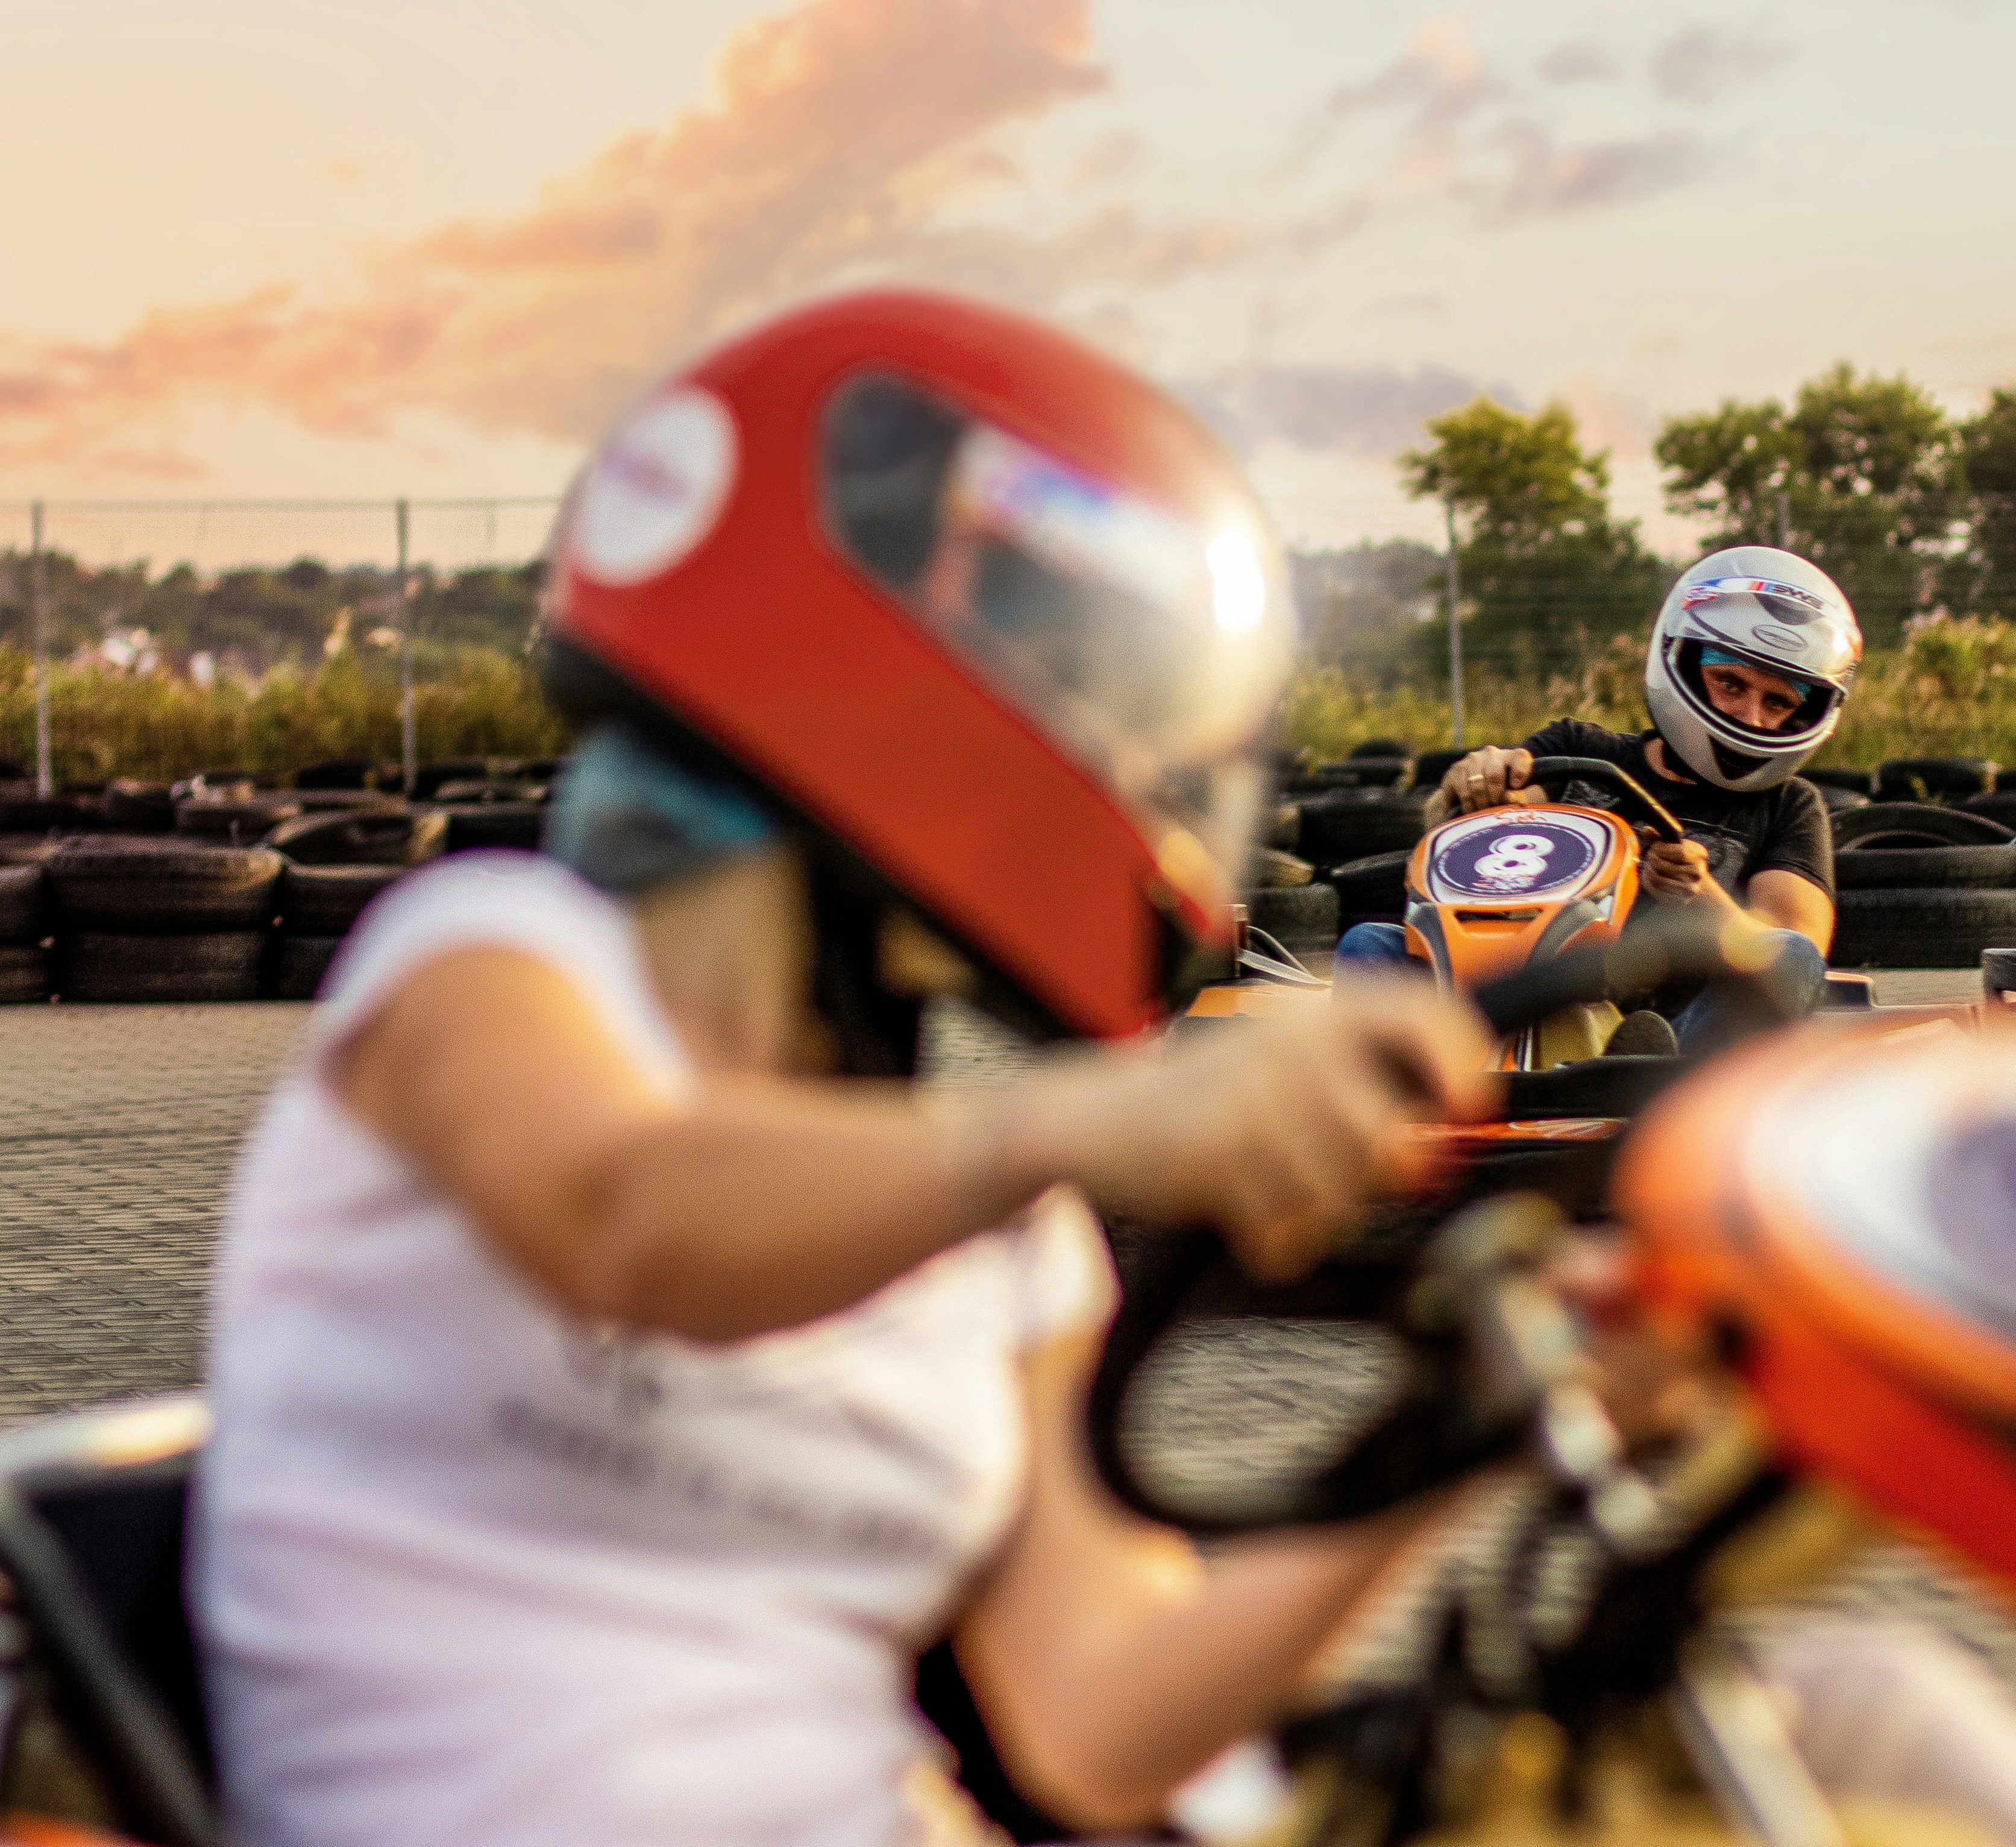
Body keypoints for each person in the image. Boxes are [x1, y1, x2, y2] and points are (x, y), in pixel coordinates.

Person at [192, 292, 1504, 1847]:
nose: (1140, 784)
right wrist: (1091, 1122)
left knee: (1837, 1717)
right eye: (1099, 705)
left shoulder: (1010, 1235)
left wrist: (1465, 1424)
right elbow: (625, 1215)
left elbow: (1101, 1722)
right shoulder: (486, 959)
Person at [1334, 546, 1859, 1044]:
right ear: (1681, 664)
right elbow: (1468, 834)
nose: (1750, 717)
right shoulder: (1578, 749)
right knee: (1368, 946)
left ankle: (1644, 1071)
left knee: (1789, 959)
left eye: (1777, 703)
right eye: (1730, 684)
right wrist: (1474, 782)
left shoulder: (1790, 806)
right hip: (1532, 990)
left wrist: (1700, 894)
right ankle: (1429, 1083)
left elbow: (1792, 947)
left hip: (1675, 1028)